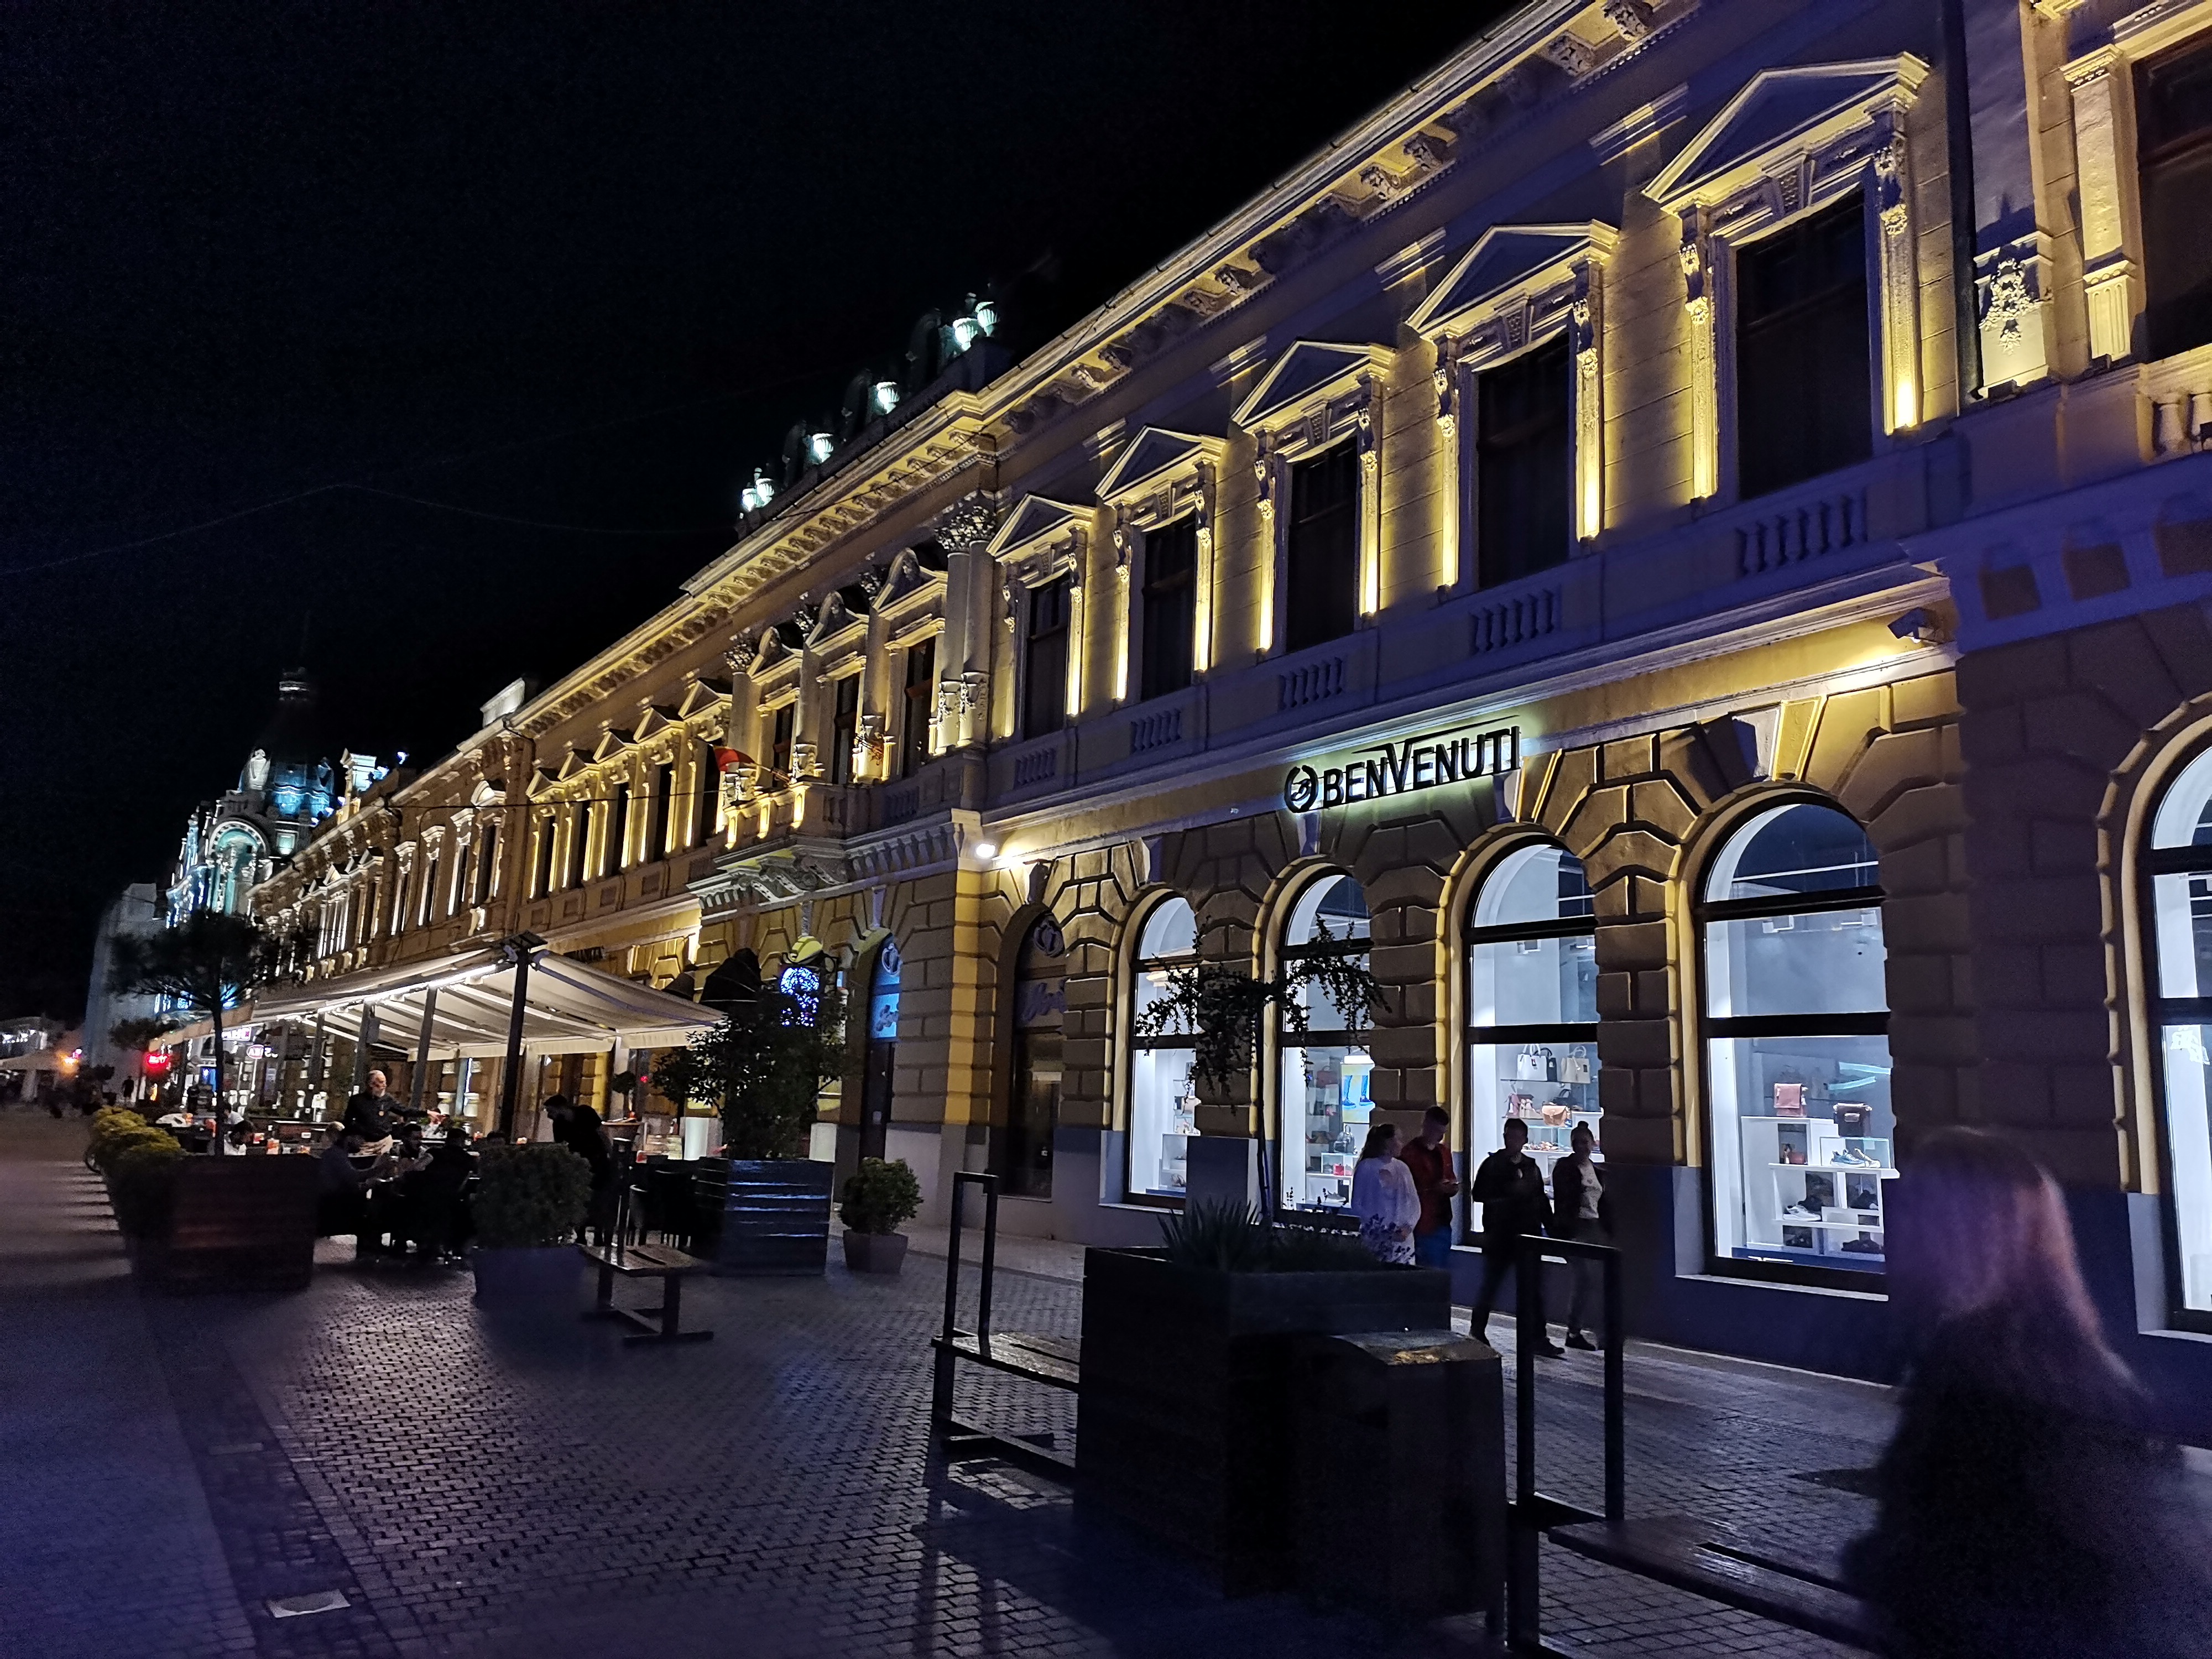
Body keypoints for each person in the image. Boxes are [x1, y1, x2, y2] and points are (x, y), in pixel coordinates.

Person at [1843, 1128, 2212, 1658]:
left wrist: (1875, 1568)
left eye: (1913, 1211)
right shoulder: (2056, 1358)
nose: (1891, 1230)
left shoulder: (1988, 1379)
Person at [1469, 1118, 1561, 1357]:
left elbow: (1540, 1200)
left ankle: (1539, 1337)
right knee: (1491, 1284)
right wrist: (1508, 1194)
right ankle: (1477, 1330)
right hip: (1500, 1235)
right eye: (1508, 1136)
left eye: (1516, 1137)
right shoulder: (1492, 1164)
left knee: (1533, 1289)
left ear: (1524, 1140)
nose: (1511, 1141)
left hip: (1528, 1236)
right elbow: (1478, 1194)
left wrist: (1551, 1230)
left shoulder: (1531, 1167)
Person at [1549, 1123, 1612, 1351]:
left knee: (1602, 1280)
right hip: (1575, 1228)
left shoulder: (1597, 1171)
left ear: (1593, 1143)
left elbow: (1602, 1203)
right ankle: (1574, 1331)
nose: (1582, 1147)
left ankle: (1600, 1333)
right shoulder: (1564, 1167)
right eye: (1577, 1142)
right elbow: (1565, 1199)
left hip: (1595, 1227)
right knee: (1585, 1278)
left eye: (1586, 1142)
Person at [1396, 1105, 1460, 1270]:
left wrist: (1452, 1188)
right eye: (1437, 1131)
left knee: (1440, 1271)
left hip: (1442, 1221)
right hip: (1422, 1222)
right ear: (1426, 1126)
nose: (1440, 1136)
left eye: (1442, 1132)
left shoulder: (1444, 1152)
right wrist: (1433, 1188)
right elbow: (1405, 1190)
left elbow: (1450, 1176)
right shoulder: (1410, 1154)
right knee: (1427, 1272)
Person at [1349, 1121, 1420, 1265]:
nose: (1401, 1143)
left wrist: (1408, 1227)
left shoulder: (1402, 1168)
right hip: (1376, 1240)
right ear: (1388, 1142)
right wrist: (1383, 1230)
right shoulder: (1366, 1168)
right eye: (1398, 1139)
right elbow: (1357, 1205)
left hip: (1403, 1242)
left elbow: (1414, 1203)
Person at [316, 1131, 367, 1237]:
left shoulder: (336, 1153)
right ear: (349, 1138)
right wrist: (379, 1168)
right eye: (360, 1138)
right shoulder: (337, 1154)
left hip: (328, 1197)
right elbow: (353, 1177)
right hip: (331, 1200)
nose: (363, 1142)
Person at [342, 1069, 398, 1149]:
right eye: (381, 1082)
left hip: (383, 1144)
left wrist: (421, 1113)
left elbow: (403, 1110)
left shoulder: (388, 1099)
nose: (385, 1086)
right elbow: (348, 1121)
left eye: (385, 1082)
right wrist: (357, 1133)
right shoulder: (357, 1100)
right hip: (362, 1144)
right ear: (371, 1084)